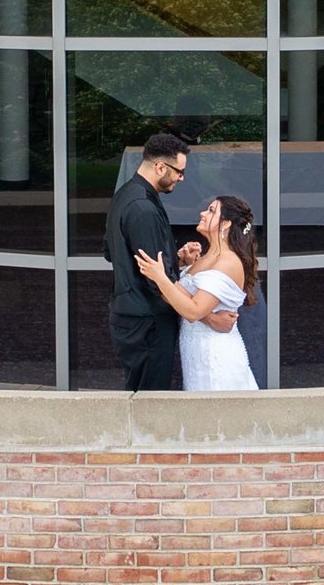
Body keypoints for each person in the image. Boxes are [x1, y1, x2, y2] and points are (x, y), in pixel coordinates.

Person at [132, 195, 260, 391]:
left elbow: (192, 311)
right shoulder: (207, 256)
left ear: (225, 224)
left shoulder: (228, 261)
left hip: (215, 357)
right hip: (197, 354)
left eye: (211, 210)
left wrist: (160, 277)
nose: (202, 213)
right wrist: (179, 263)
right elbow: (172, 296)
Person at [106, 131, 190, 391]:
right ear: (160, 166)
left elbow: (112, 252)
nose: (181, 178)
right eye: (179, 171)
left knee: (140, 395)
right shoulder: (143, 207)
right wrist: (197, 310)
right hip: (148, 322)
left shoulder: (125, 195)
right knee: (150, 402)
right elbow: (155, 279)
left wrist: (176, 259)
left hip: (132, 316)